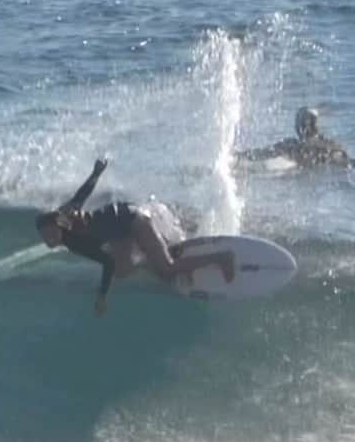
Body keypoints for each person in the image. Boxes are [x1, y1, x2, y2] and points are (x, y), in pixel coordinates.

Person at [35, 158, 234, 315]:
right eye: (45, 237)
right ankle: (158, 255)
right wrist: (96, 173)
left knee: (168, 268)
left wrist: (102, 296)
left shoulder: (70, 217)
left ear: (58, 225)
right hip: (120, 234)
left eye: (50, 233)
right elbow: (109, 262)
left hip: (133, 220)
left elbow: (83, 193)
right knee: (122, 271)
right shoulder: (70, 239)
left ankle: (222, 257)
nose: (49, 240)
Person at [236, 107, 352, 168]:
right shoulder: (334, 145)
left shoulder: (293, 145)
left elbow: (263, 154)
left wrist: (239, 155)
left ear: (300, 126)